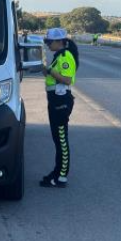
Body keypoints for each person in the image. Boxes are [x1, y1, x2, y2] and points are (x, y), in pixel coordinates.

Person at [40, 28, 79, 188]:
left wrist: (50, 70)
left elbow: (67, 79)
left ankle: (61, 177)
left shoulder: (65, 56)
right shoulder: (58, 56)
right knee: (57, 138)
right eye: (47, 42)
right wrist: (45, 70)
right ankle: (57, 172)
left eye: (50, 42)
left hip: (61, 101)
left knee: (61, 139)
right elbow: (53, 76)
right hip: (55, 99)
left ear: (59, 41)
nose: (48, 45)